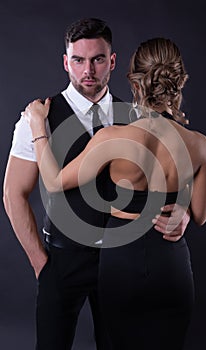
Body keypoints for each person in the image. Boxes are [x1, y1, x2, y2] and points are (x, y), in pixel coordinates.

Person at [3, 18, 190, 350]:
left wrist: (184, 213)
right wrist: (40, 263)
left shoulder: (137, 115)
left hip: (125, 261)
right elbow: (13, 193)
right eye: (78, 60)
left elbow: (171, 174)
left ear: (112, 61)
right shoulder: (37, 119)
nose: (87, 69)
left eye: (97, 59)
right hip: (63, 261)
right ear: (65, 62)